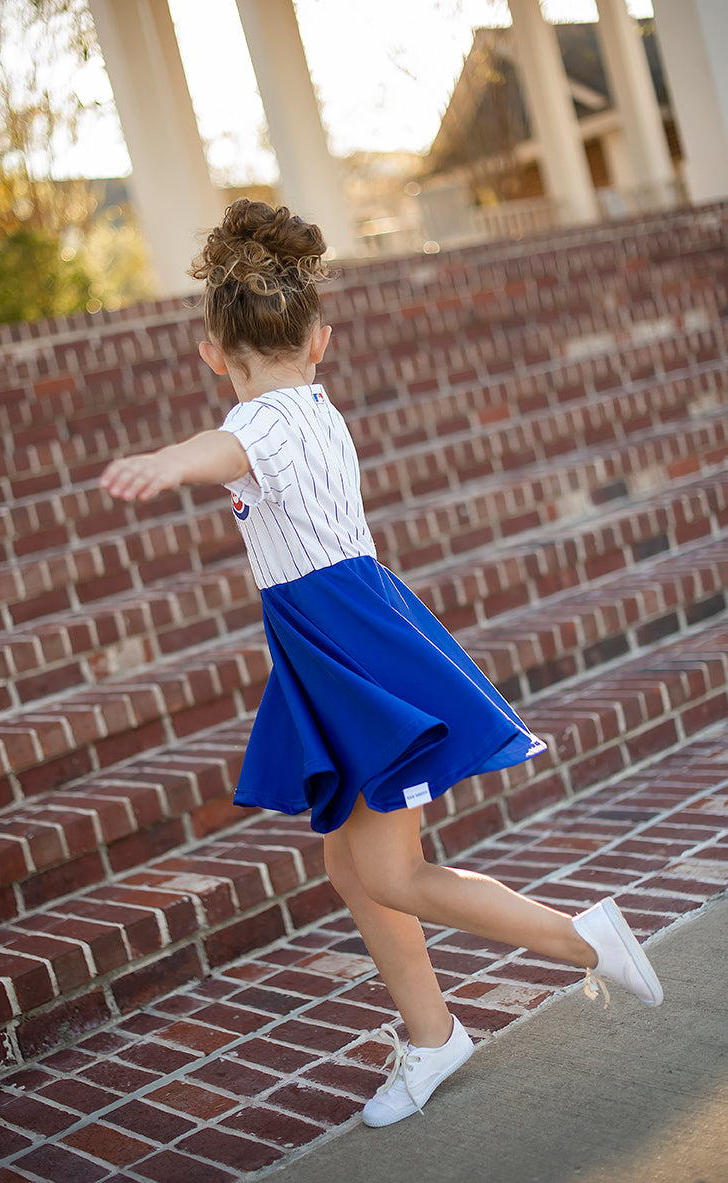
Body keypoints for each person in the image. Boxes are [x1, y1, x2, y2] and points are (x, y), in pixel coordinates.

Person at [100, 200, 663, 1129]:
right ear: (319, 340)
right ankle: (432, 1032)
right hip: (335, 657)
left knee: (390, 873)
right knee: (349, 865)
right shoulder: (310, 405)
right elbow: (243, 449)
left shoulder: (267, 423)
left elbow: (228, 447)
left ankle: (580, 939)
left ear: (211, 351)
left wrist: (169, 460)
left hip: (361, 666)